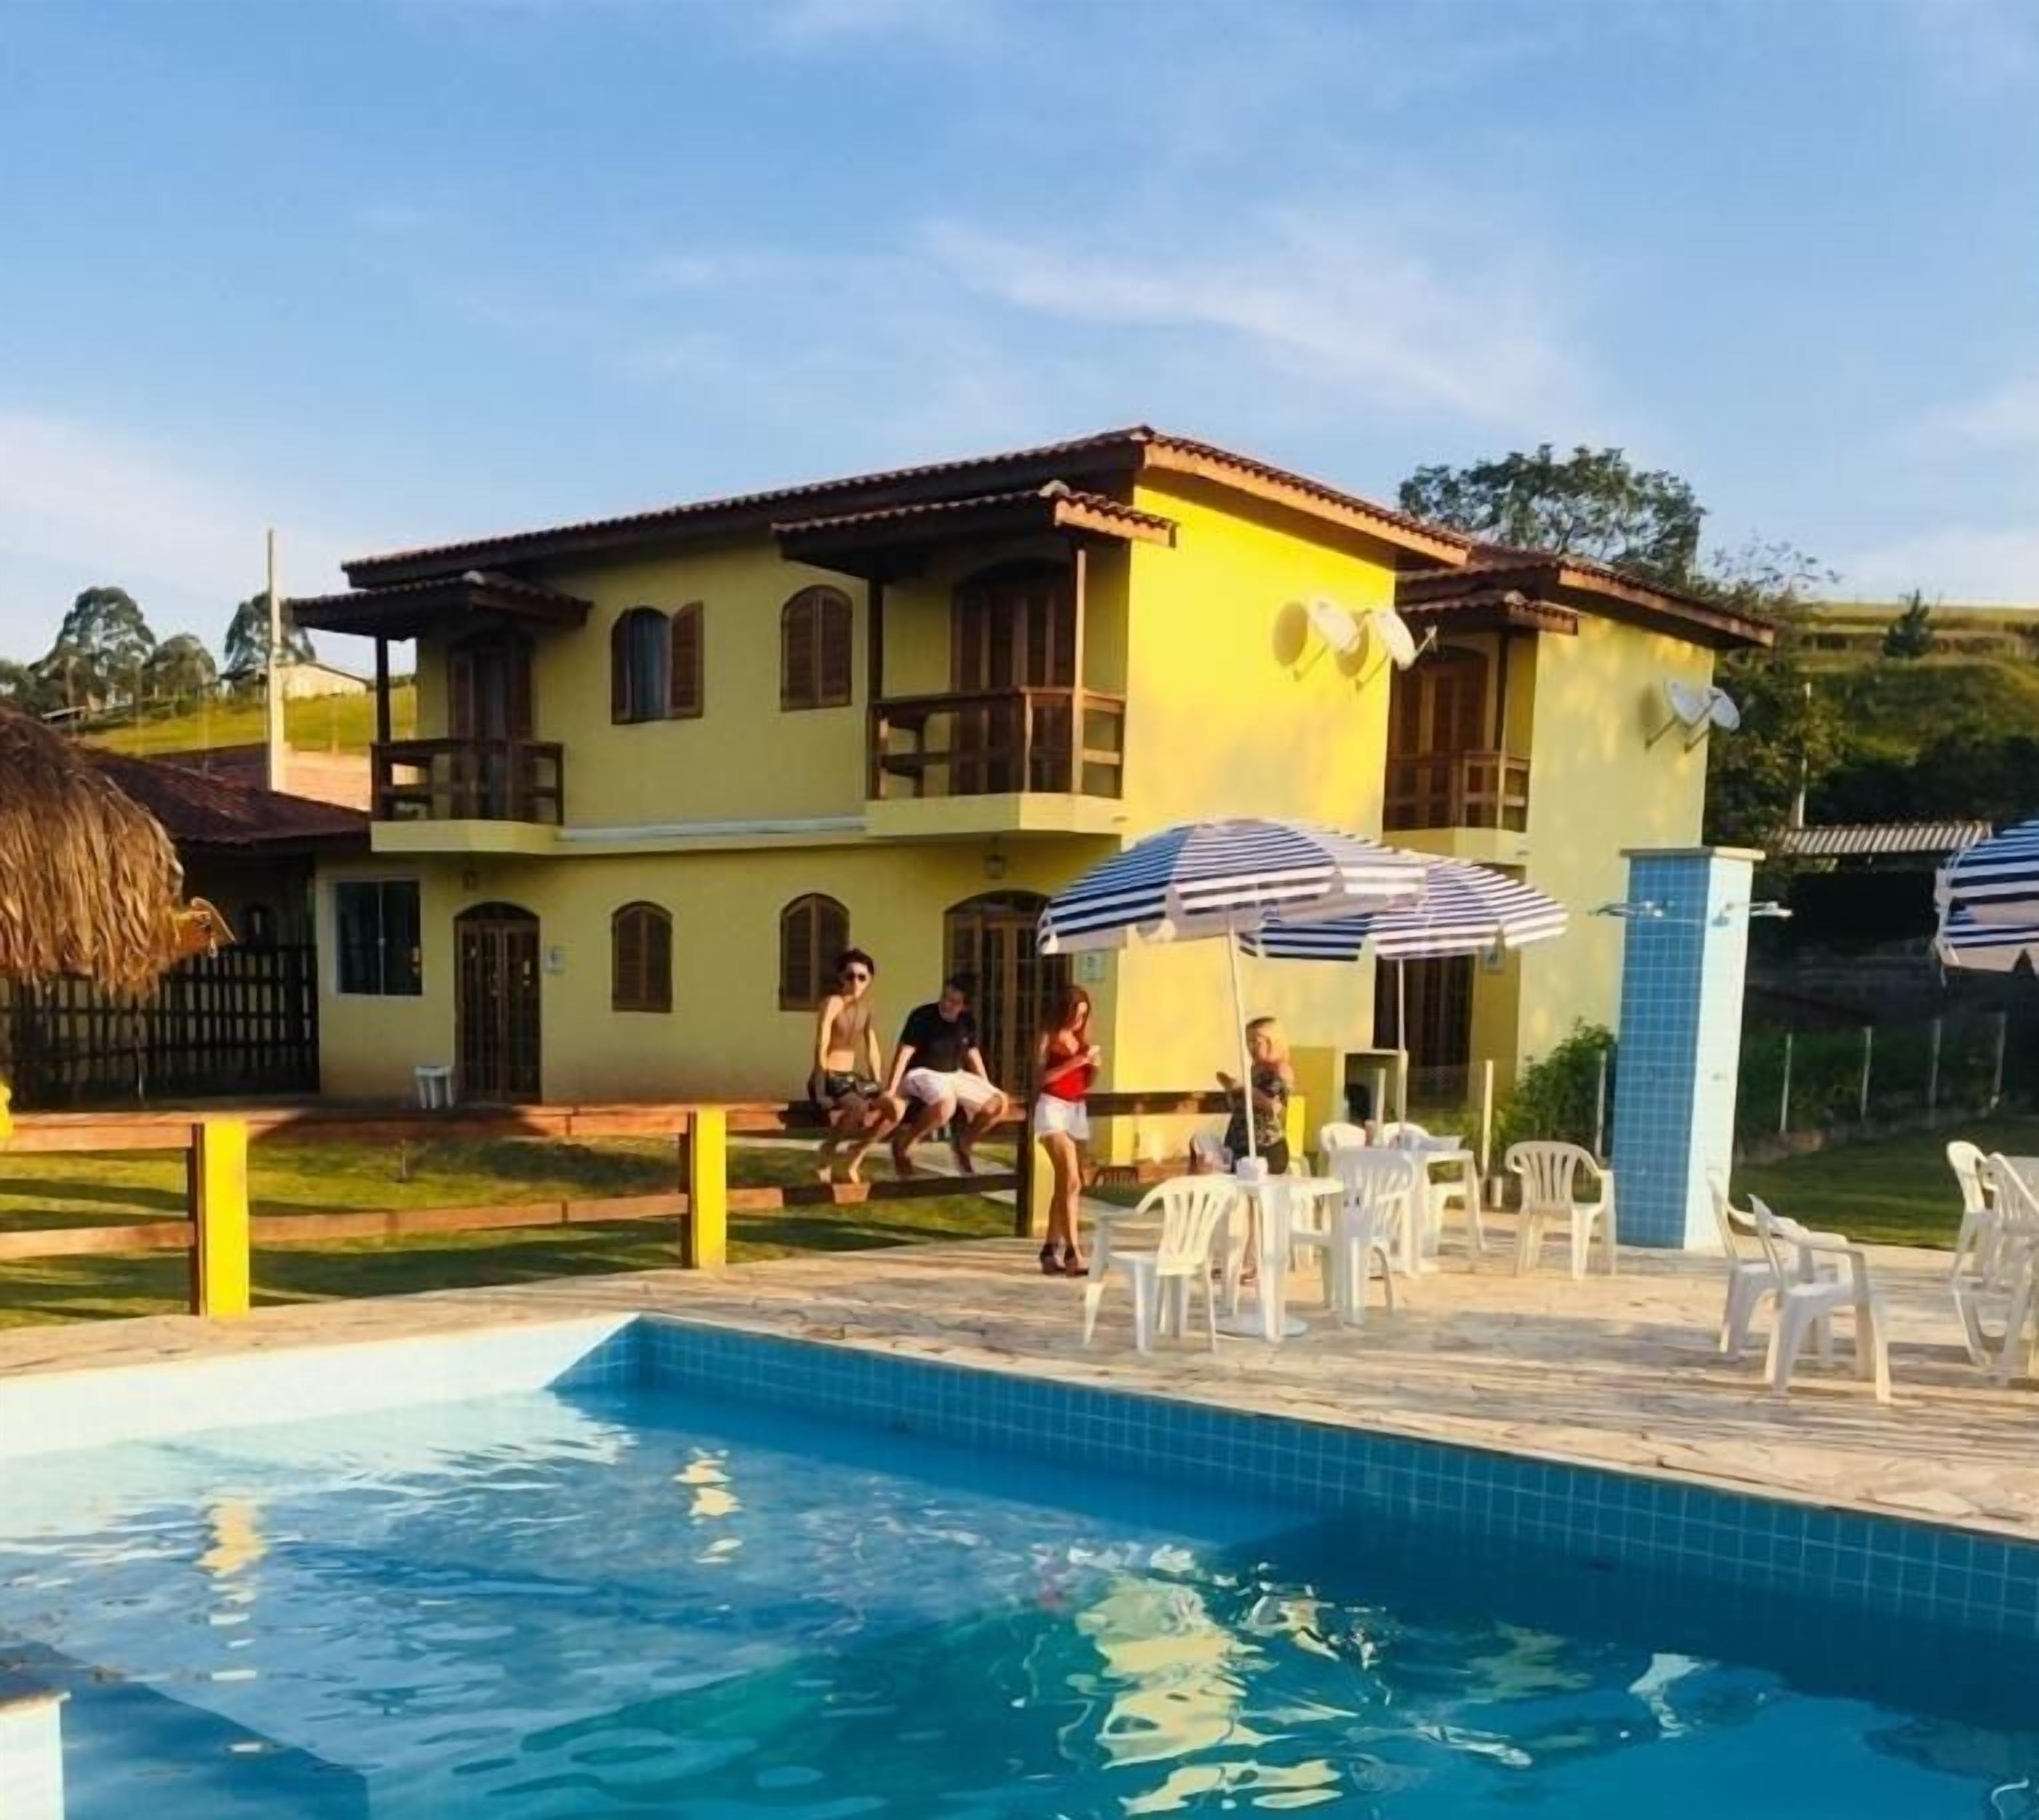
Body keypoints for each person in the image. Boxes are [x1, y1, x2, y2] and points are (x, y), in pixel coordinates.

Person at [886, 975, 1009, 1176]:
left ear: (965, 1007)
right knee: (946, 1105)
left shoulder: (967, 1022)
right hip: (922, 1072)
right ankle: (904, 1144)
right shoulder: (922, 1016)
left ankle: (963, 1144)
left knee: (999, 1103)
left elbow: (972, 1053)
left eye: (954, 1002)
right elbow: (904, 1052)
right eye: (944, 997)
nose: (946, 1004)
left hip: (953, 1074)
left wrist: (985, 1085)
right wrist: (892, 1089)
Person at [809, 948, 902, 1183]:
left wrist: (878, 1083)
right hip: (830, 1077)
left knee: (896, 1107)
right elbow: (821, 1044)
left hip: (851, 1080)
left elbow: (872, 1047)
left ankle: (857, 1152)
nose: (855, 982)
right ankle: (828, 1150)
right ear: (841, 978)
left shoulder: (867, 1007)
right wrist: (820, 1090)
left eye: (862, 977)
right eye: (850, 976)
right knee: (858, 1107)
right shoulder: (833, 1003)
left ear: (869, 980)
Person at [1032, 985, 1099, 1277]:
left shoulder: (1082, 1039)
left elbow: (1086, 1082)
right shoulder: (1047, 1035)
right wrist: (1075, 1062)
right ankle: (1074, 1252)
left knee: (1068, 1183)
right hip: (1052, 1107)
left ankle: (1049, 1250)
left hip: (1076, 1108)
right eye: (1074, 1015)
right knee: (1071, 1179)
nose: (1078, 1021)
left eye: (1083, 1016)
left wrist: (1094, 1066)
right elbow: (1039, 1078)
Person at [1193, 1016, 1295, 1176]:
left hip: (1264, 1149)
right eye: (1249, 1042)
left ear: (1272, 1042)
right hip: (1241, 1146)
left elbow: (1274, 1107)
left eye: (1257, 1042)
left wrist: (1243, 1088)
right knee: (1201, 1143)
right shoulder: (1255, 1070)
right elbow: (1244, 1106)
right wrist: (1232, 1091)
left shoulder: (1280, 1071)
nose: (1251, 1047)